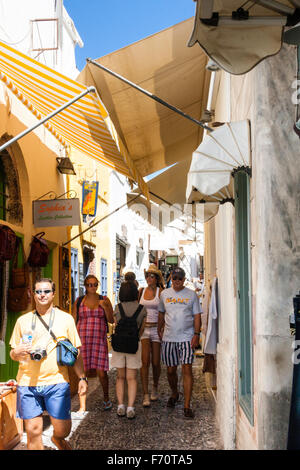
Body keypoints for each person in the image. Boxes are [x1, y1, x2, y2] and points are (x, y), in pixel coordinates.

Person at [9, 278, 87, 451]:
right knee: (33, 431)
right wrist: (17, 352)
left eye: (46, 291)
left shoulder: (66, 319)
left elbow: (76, 352)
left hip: (57, 381)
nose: (42, 295)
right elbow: (13, 353)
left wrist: (82, 378)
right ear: (33, 294)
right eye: (38, 291)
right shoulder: (22, 321)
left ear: (53, 294)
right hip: (28, 382)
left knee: (62, 429)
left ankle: (58, 439)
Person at [157, 267, 202, 419]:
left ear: (184, 280)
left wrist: (196, 334)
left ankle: (187, 406)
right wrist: (159, 328)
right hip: (169, 337)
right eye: (174, 278)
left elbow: (197, 316)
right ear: (171, 278)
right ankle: (175, 393)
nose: (176, 281)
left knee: (187, 369)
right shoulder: (164, 294)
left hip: (186, 337)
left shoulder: (192, 295)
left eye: (179, 278)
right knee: (170, 371)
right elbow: (161, 313)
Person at [72, 274, 114, 412]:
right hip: (82, 340)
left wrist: (106, 307)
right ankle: (83, 405)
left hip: (99, 341)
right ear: (85, 286)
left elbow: (111, 320)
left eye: (95, 284)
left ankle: (106, 398)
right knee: (81, 373)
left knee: (102, 372)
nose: (92, 287)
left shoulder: (104, 299)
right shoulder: (79, 301)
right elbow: (73, 320)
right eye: (90, 284)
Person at [111, 281, 146, 419]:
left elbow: (115, 325)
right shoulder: (142, 309)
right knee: (131, 378)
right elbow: (142, 329)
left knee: (120, 377)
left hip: (119, 345)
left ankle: (120, 405)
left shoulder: (117, 308)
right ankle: (130, 407)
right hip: (134, 345)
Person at [139, 264, 164, 407]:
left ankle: (155, 386)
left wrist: (162, 329)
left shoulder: (162, 292)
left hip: (156, 329)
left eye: (152, 276)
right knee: (144, 362)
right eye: (147, 275)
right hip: (144, 329)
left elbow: (164, 311)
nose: (149, 278)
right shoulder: (141, 291)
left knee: (155, 362)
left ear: (156, 278)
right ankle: (145, 394)